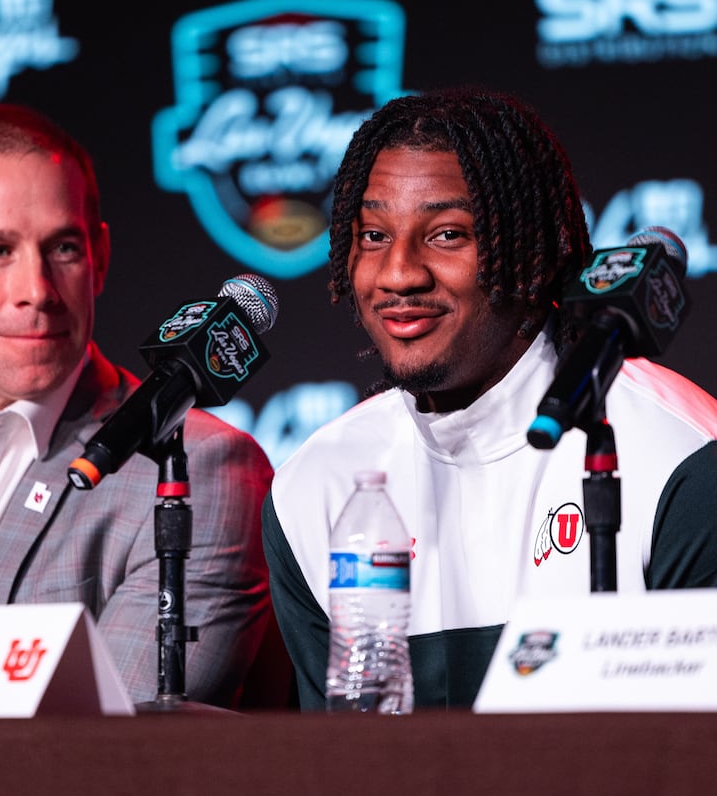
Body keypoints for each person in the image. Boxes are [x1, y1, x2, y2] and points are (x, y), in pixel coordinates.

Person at [262, 84, 717, 710]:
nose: (398, 274)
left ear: (534, 253)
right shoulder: (317, 485)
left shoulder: (681, 457)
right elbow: (344, 772)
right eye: (372, 235)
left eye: (446, 234)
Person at [0, 101, 290, 709]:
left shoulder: (204, 466)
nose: (35, 291)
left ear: (100, 258)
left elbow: (108, 769)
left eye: (62, 248)